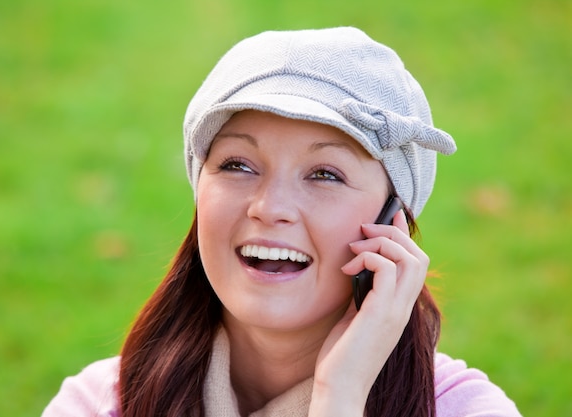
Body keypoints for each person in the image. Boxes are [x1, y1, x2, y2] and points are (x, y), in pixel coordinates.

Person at [42, 27, 522, 417]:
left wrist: (341, 395)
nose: (270, 207)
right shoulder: (100, 404)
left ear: (391, 221)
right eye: (237, 165)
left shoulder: (464, 410)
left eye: (325, 174)